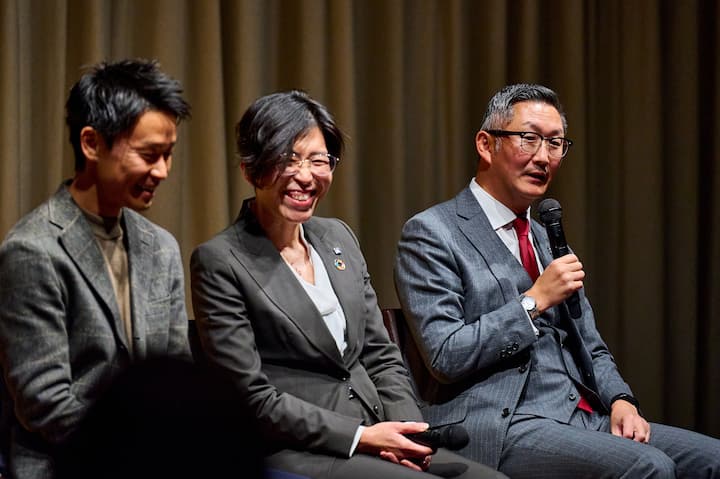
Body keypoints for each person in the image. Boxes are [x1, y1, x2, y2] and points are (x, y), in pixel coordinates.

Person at [394, 83, 720, 478]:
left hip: (583, 415)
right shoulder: (432, 232)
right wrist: (533, 302)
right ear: (486, 144)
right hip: (502, 422)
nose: (544, 157)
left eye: (556, 144)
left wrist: (620, 400)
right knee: (649, 467)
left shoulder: (547, 236)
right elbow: (446, 355)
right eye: (529, 139)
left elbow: (591, 344)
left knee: (711, 460)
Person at [190, 90, 506, 479]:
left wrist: (407, 433)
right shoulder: (220, 260)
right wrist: (363, 437)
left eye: (319, 160)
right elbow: (249, 398)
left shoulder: (337, 236)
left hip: (380, 432)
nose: (306, 176)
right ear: (250, 169)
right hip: (301, 447)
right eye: (288, 159)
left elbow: (380, 353)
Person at [0, 59, 192, 479]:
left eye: (169, 154)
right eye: (148, 154)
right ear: (91, 144)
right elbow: (46, 406)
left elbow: (175, 377)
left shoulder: (161, 247)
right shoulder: (32, 251)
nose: (162, 171)